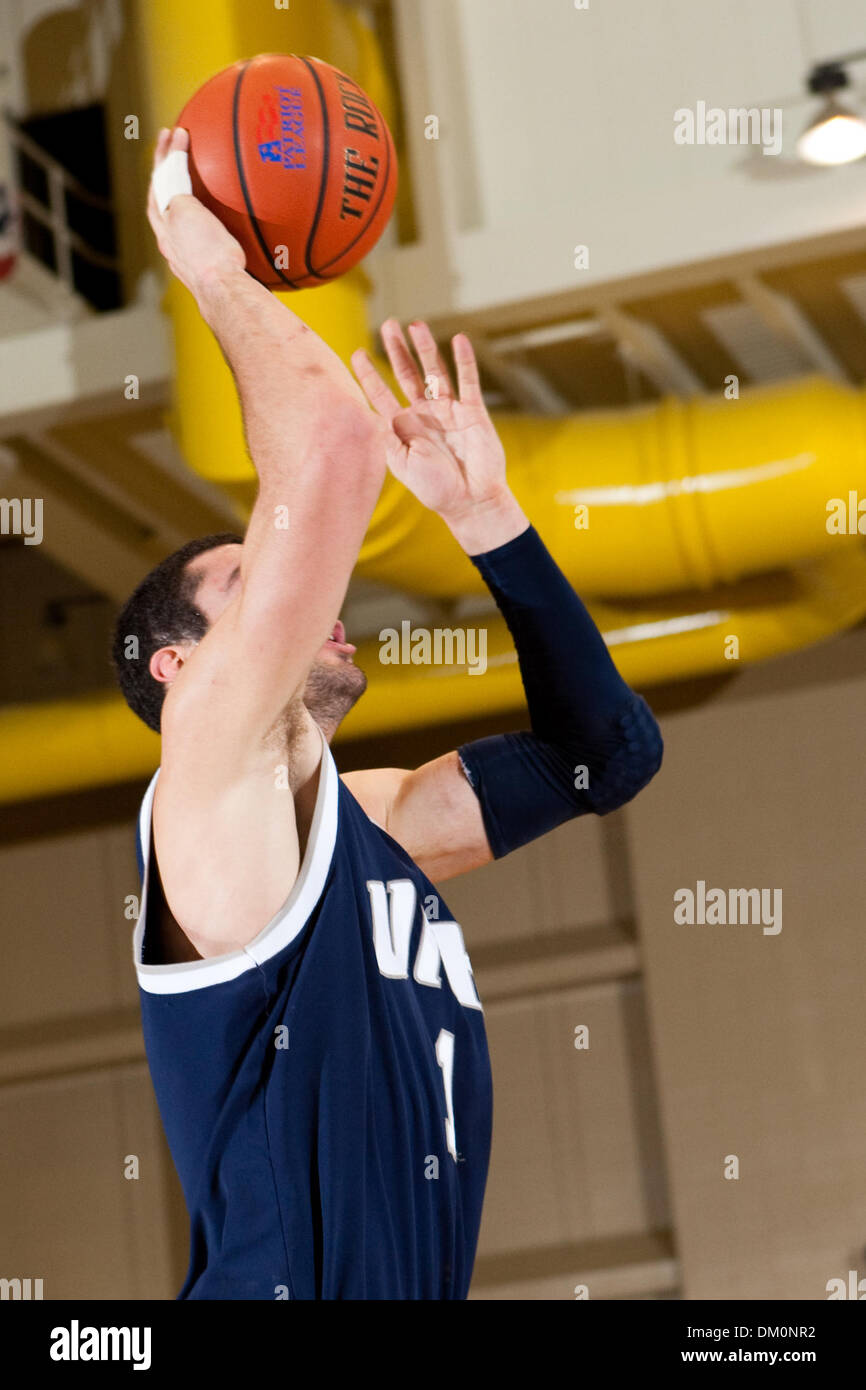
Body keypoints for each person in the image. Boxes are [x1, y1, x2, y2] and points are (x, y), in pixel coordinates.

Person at [111, 127, 663, 1300]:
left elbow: (603, 756)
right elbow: (329, 440)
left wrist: (491, 523)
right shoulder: (208, 778)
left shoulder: (363, 821)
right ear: (178, 670)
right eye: (248, 580)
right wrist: (210, 267)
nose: (303, 587)